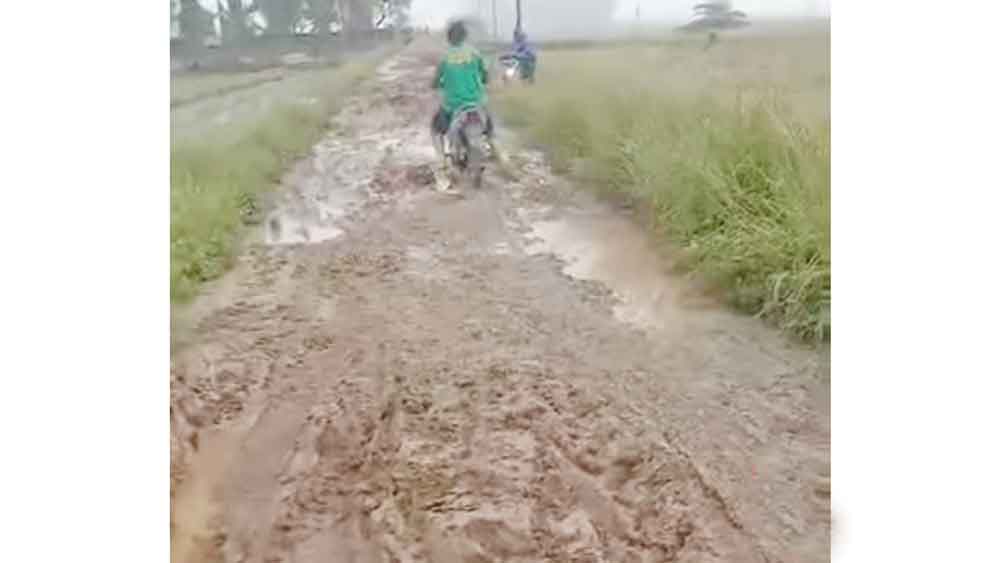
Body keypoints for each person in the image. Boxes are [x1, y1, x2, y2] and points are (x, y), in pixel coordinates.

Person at [430, 19, 498, 191]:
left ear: (449, 38)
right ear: (465, 37)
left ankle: (442, 162)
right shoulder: (475, 54)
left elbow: (435, 82)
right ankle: (494, 149)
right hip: (477, 103)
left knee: (435, 129)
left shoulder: (445, 57)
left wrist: (438, 84)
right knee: (490, 128)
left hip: (453, 106)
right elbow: (486, 76)